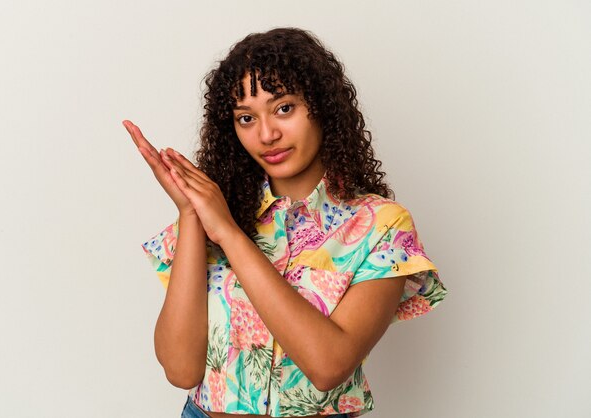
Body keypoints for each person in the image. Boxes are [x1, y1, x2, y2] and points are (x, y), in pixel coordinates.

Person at [123, 27, 447, 418]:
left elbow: (328, 366)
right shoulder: (211, 213)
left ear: (322, 105)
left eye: (284, 108)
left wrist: (228, 233)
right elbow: (180, 369)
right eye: (246, 118)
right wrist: (191, 214)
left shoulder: (380, 226)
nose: (267, 134)